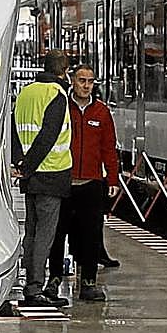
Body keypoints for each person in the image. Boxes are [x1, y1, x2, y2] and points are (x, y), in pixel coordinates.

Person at [47, 63, 121, 302]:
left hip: (91, 184)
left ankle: (88, 282)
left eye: (90, 81)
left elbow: (109, 148)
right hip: (64, 182)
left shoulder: (101, 112)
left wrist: (112, 177)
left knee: (91, 234)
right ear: (72, 81)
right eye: (82, 80)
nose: (86, 86)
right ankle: (54, 279)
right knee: (57, 234)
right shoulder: (61, 108)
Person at [11, 50, 73, 308]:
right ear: (63, 71)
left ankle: (31, 283)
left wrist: (19, 162)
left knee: (32, 232)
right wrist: (29, 167)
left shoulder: (25, 92)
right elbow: (48, 136)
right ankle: (34, 288)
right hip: (50, 173)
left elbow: (14, 129)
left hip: (32, 176)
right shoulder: (56, 95)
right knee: (44, 235)